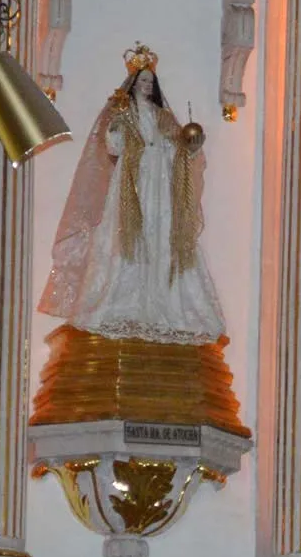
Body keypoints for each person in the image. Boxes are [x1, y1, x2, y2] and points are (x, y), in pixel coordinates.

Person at [40, 44, 225, 344]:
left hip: (159, 188)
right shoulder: (123, 113)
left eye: (150, 82)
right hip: (132, 185)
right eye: (142, 81)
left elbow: (174, 149)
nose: (146, 86)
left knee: (161, 238)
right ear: (133, 83)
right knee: (124, 241)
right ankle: (121, 302)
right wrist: (115, 124)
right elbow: (113, 147)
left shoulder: (162, 117)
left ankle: (164, 304)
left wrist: (189, 147)